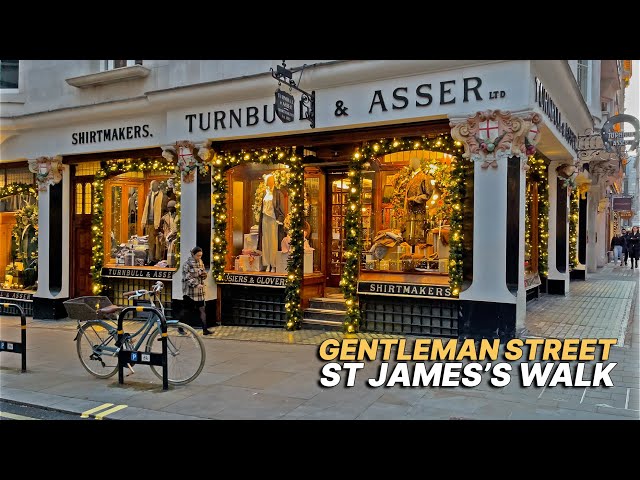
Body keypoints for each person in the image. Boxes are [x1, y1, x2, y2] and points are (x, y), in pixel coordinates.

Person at [257, 174, 286, 272]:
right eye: (267, 180)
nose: (268, 182)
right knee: (265, 242)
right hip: (265, 218)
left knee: (273, 242)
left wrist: (280, 219)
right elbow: (262, 208)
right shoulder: (265, 193)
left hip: (273, 219)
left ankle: (273, 264)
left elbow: (281, 207)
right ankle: (267, 263)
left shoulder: (278, 193)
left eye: (269, 180)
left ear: (273, 181)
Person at [182, 246, 213, 335]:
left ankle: (205, 329)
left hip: (199, 291)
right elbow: (187, 278)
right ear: (193, 254)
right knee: (187, 311)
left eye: (201, 256)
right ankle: (180, 327)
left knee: (202, 309)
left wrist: (204, 275)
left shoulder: (200, 262)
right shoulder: (187, 264)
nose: (199, 257)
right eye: (198, 256)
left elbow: (203, 273)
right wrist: (196, 284)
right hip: (190, 292)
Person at [403, 157, 434, 245]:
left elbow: (428, 194)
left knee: (418, 236)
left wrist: (415, 199)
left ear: (416, 163)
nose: (409, 165)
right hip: (410, 212)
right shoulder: (411, 178)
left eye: (411, 163)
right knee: (410, 236)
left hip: (418, 212)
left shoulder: (424, 177)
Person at [141, 180, 168, 264]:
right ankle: (152, 259)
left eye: (152, 185)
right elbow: (146, 209)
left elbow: (165, 210)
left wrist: (162, 221)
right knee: (151, 242)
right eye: (151, 185)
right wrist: (144, 221)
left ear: (157, 186)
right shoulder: (149, 195)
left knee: (160, 242)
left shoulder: (163, 196)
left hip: (160, 222)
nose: (151, 187)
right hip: (150, 222)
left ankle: (160, 259)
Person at [159, 200, 179, 267]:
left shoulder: (179, 215)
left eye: (171, 208)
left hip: (177, 235)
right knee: (169, 247)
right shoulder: (167, 216)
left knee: (173, 246)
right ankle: (170, 263)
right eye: (169, 208)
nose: (170, 209)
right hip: (170, 234)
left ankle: (174, 263)